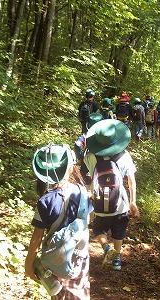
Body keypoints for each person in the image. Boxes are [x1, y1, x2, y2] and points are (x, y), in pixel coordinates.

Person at [25, 144, 93, 299]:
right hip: (80, 256)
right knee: (80, 292)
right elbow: (86, 219)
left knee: (59, 295)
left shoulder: (45, 201)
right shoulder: (81, 191)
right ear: (70, 168)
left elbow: (37, 238)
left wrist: (29, 264)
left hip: (56, 260)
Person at [84, 119, 140, 271]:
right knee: (119, 231)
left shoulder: (89, 156)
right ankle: (117, 259)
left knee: (98, 230)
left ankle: (107, 249)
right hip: (120, 204)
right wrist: (133, 201)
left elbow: (91, 177)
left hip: (99, 203)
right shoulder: (125, 156)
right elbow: (131, 181)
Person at [74, 112, 104, 185]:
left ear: (88, 125)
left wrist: (80, 158)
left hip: (87, 160)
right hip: (104, 162)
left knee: (84, 178)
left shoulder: (85, 136)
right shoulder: (105, 135)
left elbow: (77, 145)